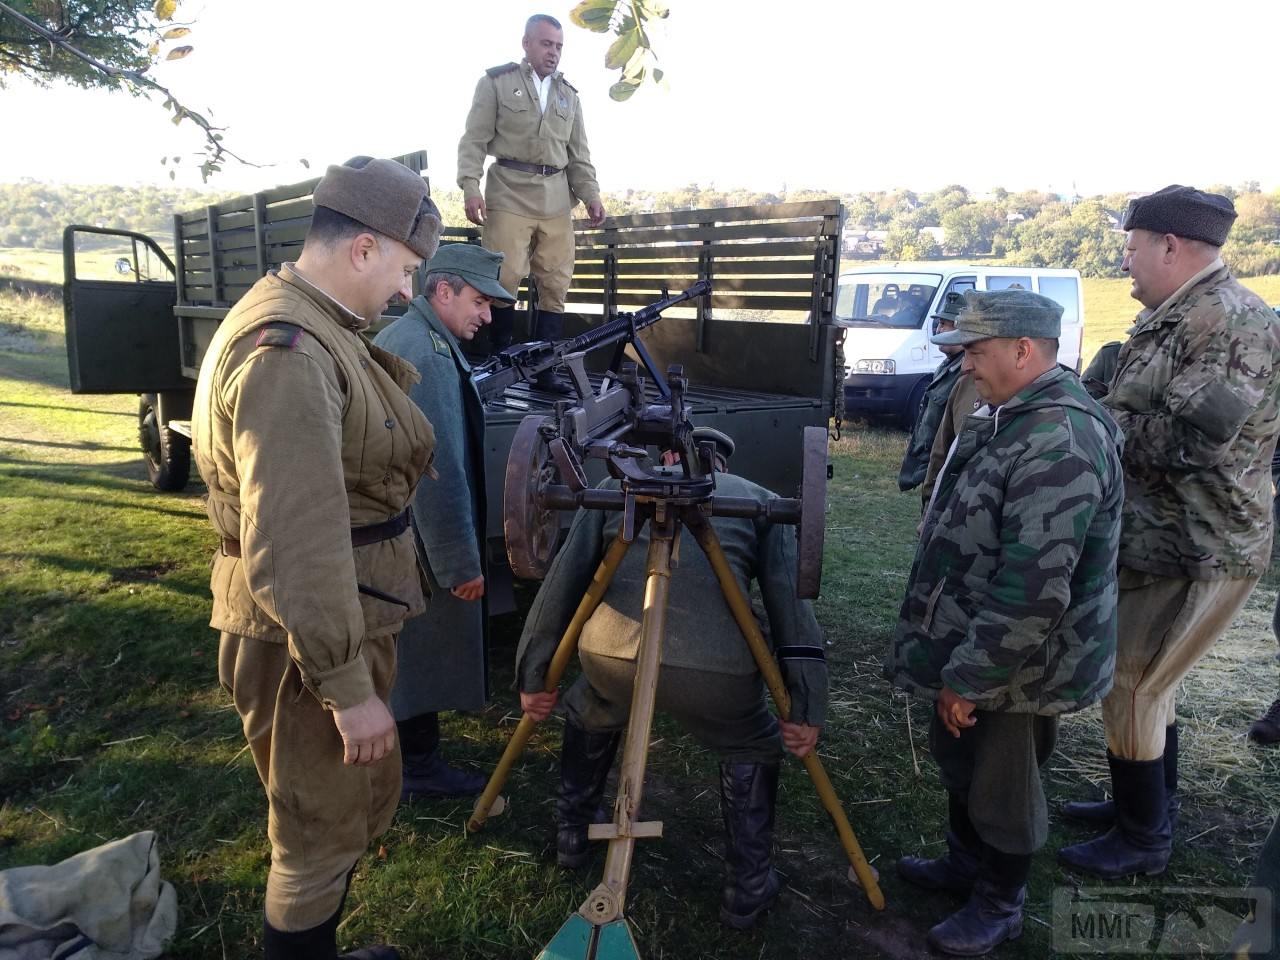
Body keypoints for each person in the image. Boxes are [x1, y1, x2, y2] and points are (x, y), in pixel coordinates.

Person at [191, 157, 442, 960]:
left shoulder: (316, 321)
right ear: (363, 249)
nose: (406, 292)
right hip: (306, 634)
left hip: (334, 612)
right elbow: (294, 535)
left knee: (333, 816)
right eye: (405, 270)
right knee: (314, 834)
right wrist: (345, 686)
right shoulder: (290, 350)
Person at [884, 289, 1124, 956]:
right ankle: (965, 865)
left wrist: (969, 677)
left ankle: (1000, 902)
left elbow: (1033, 589)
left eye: (976, 353)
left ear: (1024, 351)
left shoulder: (1059, 439)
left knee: (1004, 783)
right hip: (983, 643)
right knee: (964, 761)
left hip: (1021, 661)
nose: (963, 367)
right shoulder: (1015, 414)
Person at [516, 429, 827, 930]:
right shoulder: (759, 501)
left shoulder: (614, 488)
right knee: (749, 741)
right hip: (716, 672)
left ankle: (572, 835)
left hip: (611, 655)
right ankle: (746, 889)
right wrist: (806, 707)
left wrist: (534, 675)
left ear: (663, 457)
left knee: (592, 703)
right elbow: (791, 609)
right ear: (722, 467)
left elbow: (562, 585)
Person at [1059, 185, 1280, 879]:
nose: (1123, 263)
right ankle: (1147, 804)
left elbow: (1196, 442)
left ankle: (1143, 838)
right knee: (1150, 682)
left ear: (1170, 246)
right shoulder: (1178, 315)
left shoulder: (1231, 321)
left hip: (1198, 542)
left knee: (1134, 683)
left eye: (1130, 249)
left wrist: (1091, 423)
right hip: (1164, 536)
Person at [372, 244, 515, 799]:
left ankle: (411, 757)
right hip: (417, 538)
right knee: (422, 651)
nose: (486, 316)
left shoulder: (410, 337)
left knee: (409, 650)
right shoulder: (428, 355)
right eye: (479, 301)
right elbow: (439, 468)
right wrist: (460, 562)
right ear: (445, 291)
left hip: (397, 528)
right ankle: (419, 767)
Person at [457, 11, 606, 387]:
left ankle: (544, 369)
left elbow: (579, 154)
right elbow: (473, 140)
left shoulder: (569, 96)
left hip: (556, 197)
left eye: (558, 46)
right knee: (505, 276)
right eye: (546, 43)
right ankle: (502, 365)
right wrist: (471, 187)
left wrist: (591, 195)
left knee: (556, 282)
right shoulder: (496, 83)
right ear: (526, 43)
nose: (553, 52)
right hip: (508, 189)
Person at [898, 291, 966, 498]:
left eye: (947, 324)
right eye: (939, 323)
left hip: (947, 470)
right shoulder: (946, 366)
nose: (939, 329)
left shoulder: (967, 372)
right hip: (932, 466)